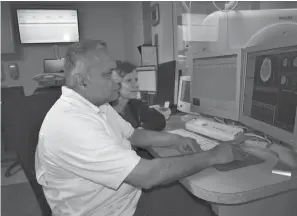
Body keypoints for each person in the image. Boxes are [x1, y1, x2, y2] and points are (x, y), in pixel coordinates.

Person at [35, 39, 245, 216]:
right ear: (82, 81)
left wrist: (176, 139)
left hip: (126, 200)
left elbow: (134, 135)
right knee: (210, 209)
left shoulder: (96, 106)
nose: (117, 79)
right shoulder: (71, 123)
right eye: (108, 74)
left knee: (201, 199)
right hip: (114, 212)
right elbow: (148, 175)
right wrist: (213, 156)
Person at [111, 61, 166, 132]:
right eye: (129, 80)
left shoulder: (134, 104)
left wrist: (141, 130)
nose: (136, 85)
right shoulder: (107, 111)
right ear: (116, 85)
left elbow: (160, 120)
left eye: (136, 79)